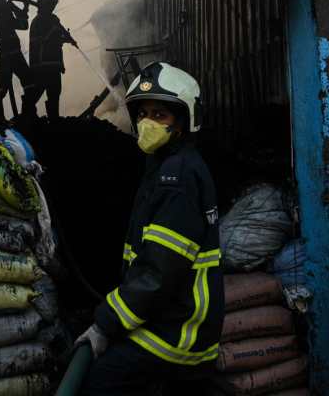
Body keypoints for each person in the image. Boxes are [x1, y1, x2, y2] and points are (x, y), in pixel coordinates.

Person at [76, 62, 224, 396]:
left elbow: (158, 274)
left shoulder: (177, 178)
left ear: (184, 122)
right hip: (169, 319)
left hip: (176, 332)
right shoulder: (164, 168)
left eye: (160, 115)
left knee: (97, 383)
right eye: (143, 114)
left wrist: (105, 324)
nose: (147, 123)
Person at [28, 0, 77, 119]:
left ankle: (54, 120)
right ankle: (27, 118)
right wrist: (54, 31)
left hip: (54, 65)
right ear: (45, 5)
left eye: (54, 4)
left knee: (55, 93)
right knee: (36, 93)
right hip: (41, 66)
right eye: (51, 4)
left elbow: (57, 37)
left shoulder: (52, 20)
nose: (53, 7)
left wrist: (68, 39)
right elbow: (40, 41)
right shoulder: (38, 22)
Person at [0, 0, 36, 122]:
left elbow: (23, 24)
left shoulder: (3, 13)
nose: (5, 1)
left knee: (19, 83)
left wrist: (22, 8)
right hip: (9, 56)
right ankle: (0, 116)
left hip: (10, 55)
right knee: (9, 85)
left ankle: (25, 114)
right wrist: (21, 8)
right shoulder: (2, 15)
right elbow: (23, 24)